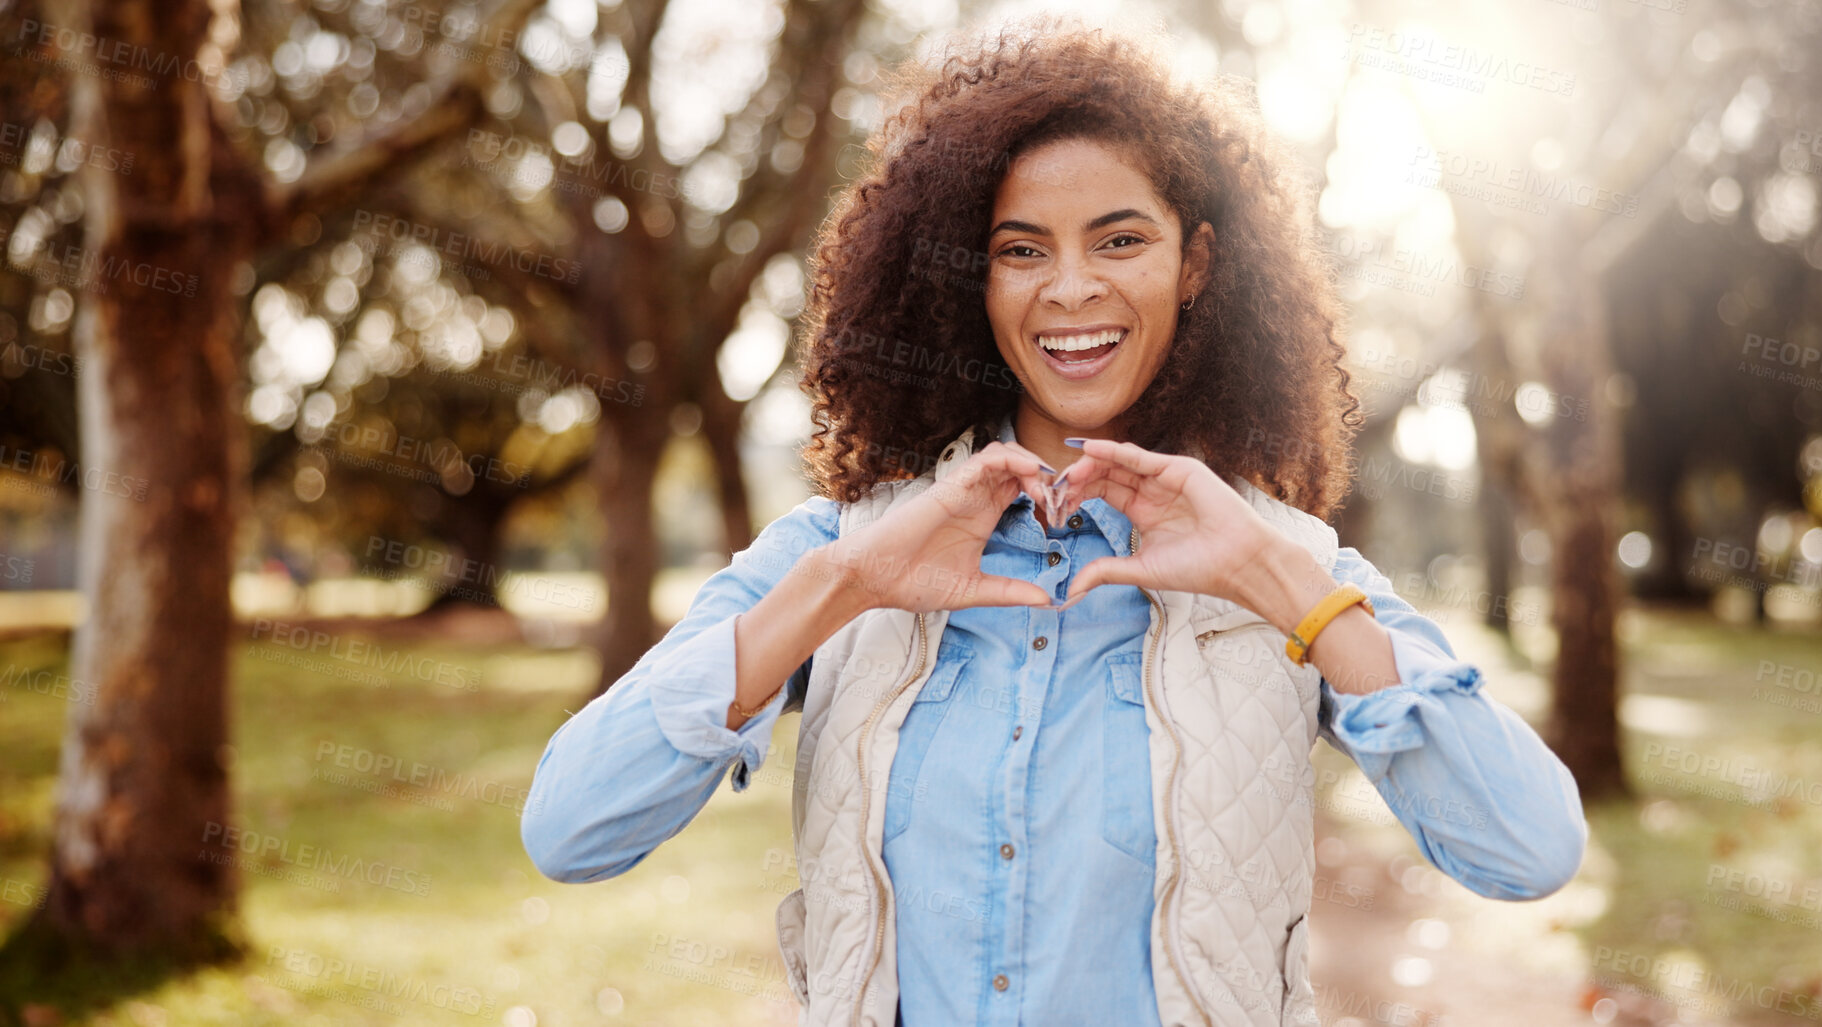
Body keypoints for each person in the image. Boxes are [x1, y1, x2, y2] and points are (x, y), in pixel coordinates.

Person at [521, 23, 1586, 1027]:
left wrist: (1285, 582)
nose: (1071, 289)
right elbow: (570, 828)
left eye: (1119, 239)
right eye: (1021, 250)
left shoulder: (1286, 564)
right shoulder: (844, 554)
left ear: (1196, 263)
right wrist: (846, 586)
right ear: (967, 279)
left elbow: (1528, 848)